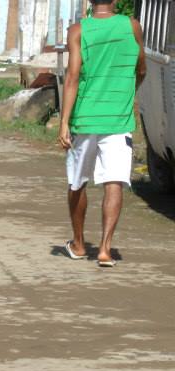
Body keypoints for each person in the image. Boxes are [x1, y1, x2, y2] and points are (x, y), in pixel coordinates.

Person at [59, 0, 146, 267]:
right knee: (114, 182)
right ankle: (106, 249)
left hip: (84, 119)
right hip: (119, 120)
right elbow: (141, 69)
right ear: (115, 1)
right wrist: (127, 94)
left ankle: (79, 243)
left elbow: (73, 76)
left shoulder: (78, 31)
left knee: (77, 181)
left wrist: (64, 122)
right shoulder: (132, 27)